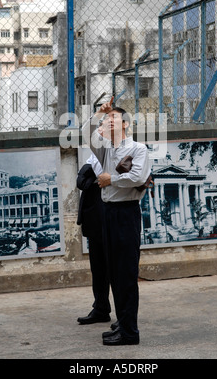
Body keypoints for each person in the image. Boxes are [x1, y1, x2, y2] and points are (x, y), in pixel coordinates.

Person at [83, 97, 151, 346]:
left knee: (126, 274)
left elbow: (137, 176)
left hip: (126, 214)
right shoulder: (107, 150)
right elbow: (88, 135)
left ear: (125, 125)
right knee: (113, 272)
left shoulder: (138, 149)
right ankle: (122, 325)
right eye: (106, 119)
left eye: (112, 118)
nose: (107, 121)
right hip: (108, 213)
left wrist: (110, 179)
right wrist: (97, 113)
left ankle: (130, 332)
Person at [76, 121, 112, 325]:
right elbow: (80, 180)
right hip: (93, 219)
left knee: (111, 267)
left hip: (106, 217)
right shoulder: (95, 157)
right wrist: (96, 181)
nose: (99, 131)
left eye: (104, 128)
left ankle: (122, 316)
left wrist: (93, 181)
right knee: (98, 268)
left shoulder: (113, 153)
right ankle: (100, 308)